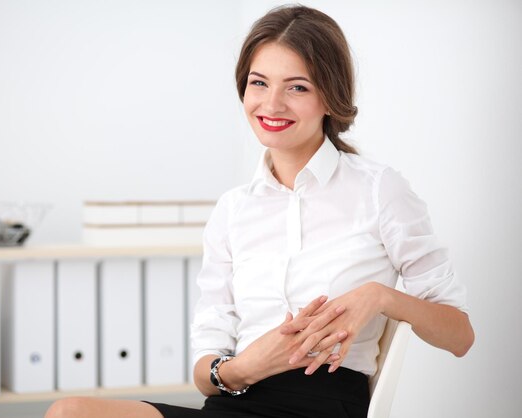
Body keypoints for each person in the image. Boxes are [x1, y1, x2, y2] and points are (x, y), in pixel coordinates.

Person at [45, 4, 474, 418]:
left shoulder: (380, 189)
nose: (272, 105)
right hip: (235, 399)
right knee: (70, 412)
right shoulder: (233, 210)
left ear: (331, 97)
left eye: (297, 87)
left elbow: (459, 335)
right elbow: (205, 370)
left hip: (322, 404)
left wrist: (380, 296)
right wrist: (246, 366)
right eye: (259, 83)